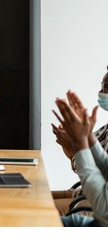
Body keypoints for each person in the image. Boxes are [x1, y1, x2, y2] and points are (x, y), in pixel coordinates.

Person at [51, 68, 108, 215]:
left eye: (106, 88)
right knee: (36, 198)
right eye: (102, 86)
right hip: (83, 192)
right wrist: (78, 138)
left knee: (43, 211)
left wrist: (75, 149)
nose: (102, 92)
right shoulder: (105, 129)